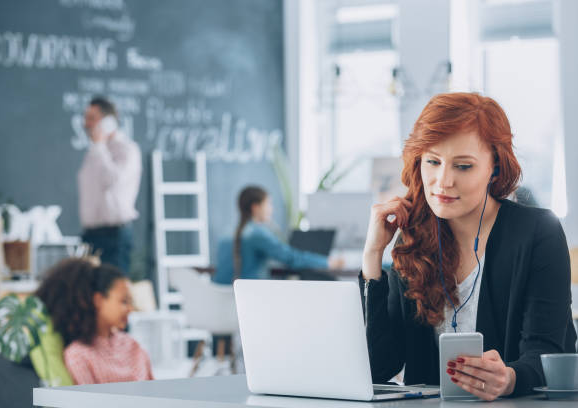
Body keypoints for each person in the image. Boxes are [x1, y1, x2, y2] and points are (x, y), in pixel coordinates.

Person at [360, 92, 576, 400]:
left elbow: (548, 354)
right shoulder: (414, 237)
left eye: (463, 166)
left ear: (496, 168)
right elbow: (380, 366)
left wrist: (511, 379)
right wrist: (372, 257)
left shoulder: (537, 232)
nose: (443, 181)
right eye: (433, 161)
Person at [35, 258, 153, 384]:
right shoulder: (79, 356)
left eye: (131, 302)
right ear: (98, 300)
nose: (130, 309)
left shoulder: (132, 345)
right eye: (124, 301)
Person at [213, 186, 344, 284]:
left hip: (223, 302)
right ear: (256, 207)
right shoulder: (256, 234)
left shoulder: (226, 233)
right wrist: (326, 262)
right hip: (250, 302)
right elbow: (291, 258)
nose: (272, 209)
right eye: (268, 203)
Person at [78, 96, 142, 274]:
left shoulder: (127, 150)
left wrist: (99, 145)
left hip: (114, 236)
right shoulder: (94, 152)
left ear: (108, 122)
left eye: (92, 118)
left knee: (112, 291)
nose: (86, 124)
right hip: (91, 235)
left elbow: (112, 179)